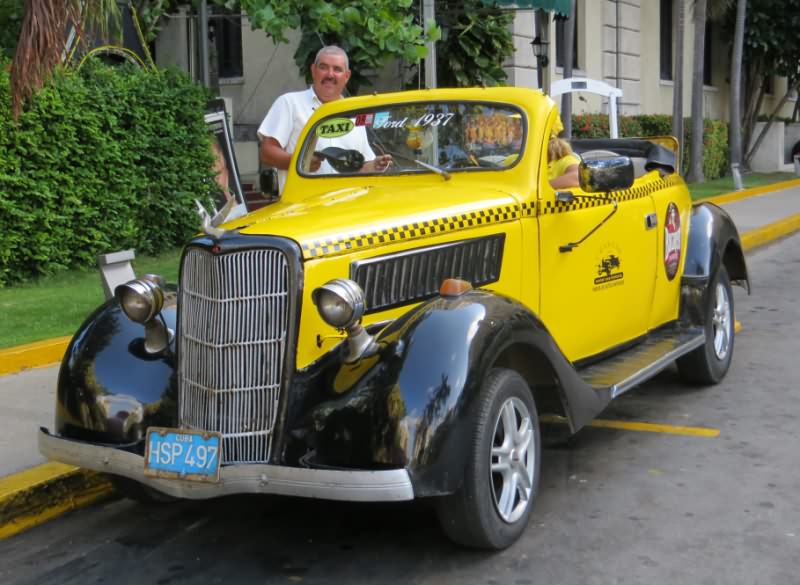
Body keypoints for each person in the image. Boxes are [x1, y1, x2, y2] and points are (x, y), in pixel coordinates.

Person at [257, 45, 392, 194]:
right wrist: (301, 163)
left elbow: (360, 167)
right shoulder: (289, 103)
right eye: (323, 67)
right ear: (313, 71)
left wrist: (375, 165)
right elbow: (267, 153)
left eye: (337, 69)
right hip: (302, 209)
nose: (330, 74)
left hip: (346, 209)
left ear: (346, 76)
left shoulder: (354, 114)